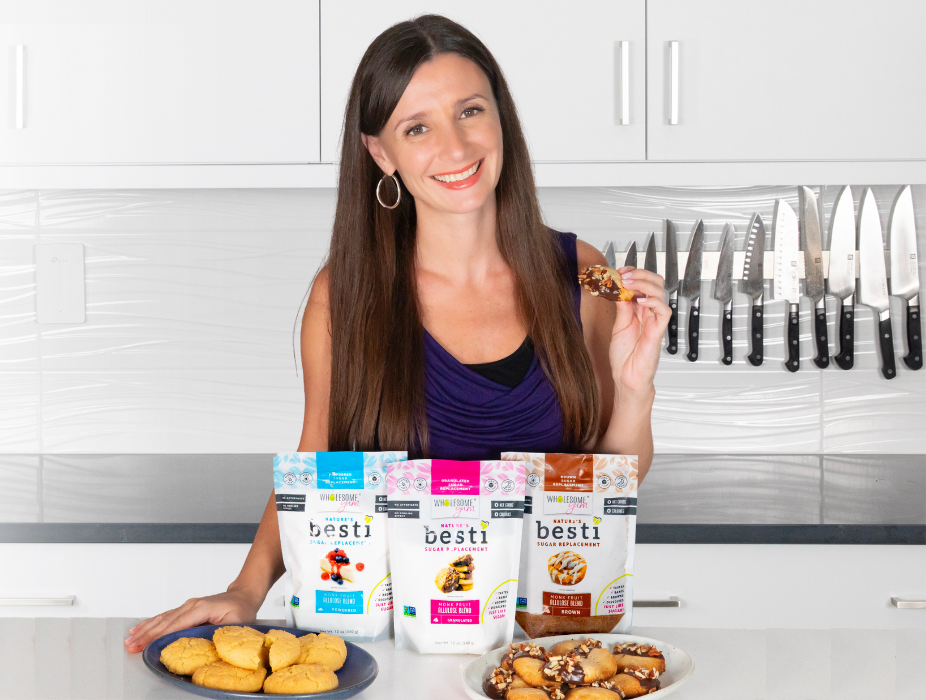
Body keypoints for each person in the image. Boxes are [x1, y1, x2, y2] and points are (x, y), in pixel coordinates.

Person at [124, 14, 668, 653]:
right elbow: (316, 466)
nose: (456, 148)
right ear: (382, 153)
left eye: (470, 111)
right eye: (418, 127)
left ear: (502, 120)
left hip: (547, 653)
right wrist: (245, 590)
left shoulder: (583, 275)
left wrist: (635, 391)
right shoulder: (345, 298)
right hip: (397, 658)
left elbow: (612, 483)